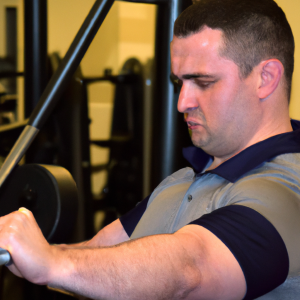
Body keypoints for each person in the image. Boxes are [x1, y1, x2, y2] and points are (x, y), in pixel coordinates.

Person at [0, 0, 300, 299]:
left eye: (203, 82)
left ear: (266, 78)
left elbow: (190, 269)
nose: (182, 102)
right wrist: (17, 250)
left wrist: (50, 264)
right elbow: (99, 254)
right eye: (178, 82)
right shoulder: (180, 180)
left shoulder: (287, 191)